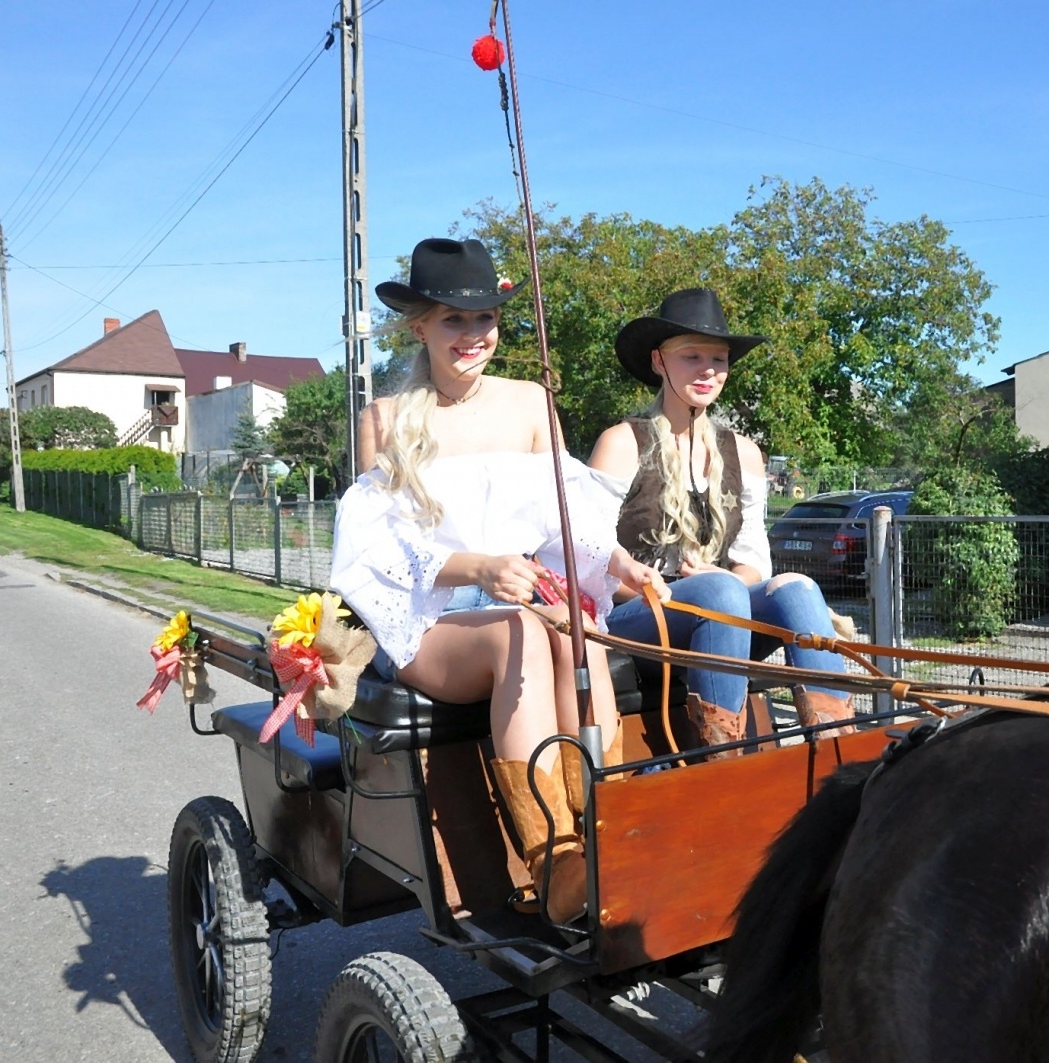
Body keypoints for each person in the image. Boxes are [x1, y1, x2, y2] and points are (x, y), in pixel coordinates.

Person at [328, 238, 666, 922]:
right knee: (521, 632)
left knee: (578, 628)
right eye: (453, 319)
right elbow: (381, 553)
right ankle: (555, 859)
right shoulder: (385, 420)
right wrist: (479, 567)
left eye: (484, 318)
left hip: (520, 595)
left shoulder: (531, 402)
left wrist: (619, 563)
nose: (473, 334)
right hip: (429, 618)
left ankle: (612, 819)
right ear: (419, 327)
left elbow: (566, 522)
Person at [589, 288, 856, 758]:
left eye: (719, 359)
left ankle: (839, 753)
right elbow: (587, 554)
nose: (708, 370)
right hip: (635, 616)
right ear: (659, 361)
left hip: (722, 609)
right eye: (691, 356)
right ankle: (722, 760)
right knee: (721, 592)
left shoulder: (744, 453)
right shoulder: (622, 442)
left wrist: (724, 581)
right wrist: (687, 588)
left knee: (796, 588)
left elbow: (753, 561)